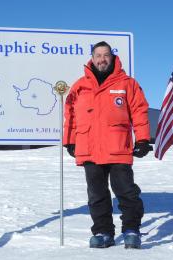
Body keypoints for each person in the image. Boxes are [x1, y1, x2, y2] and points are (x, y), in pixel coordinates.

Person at [63, 41, 152, 249]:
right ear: (92, 59)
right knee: (97, 195)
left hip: (118, 147)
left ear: (112, 57)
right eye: (98, 55)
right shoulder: (80, 86)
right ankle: (103, 232)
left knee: (126, 191)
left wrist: (142, 139)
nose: (102, 59)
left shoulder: (127, 83)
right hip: (89, 148)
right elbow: (71, 114)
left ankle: (131, 230)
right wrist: (70, 140)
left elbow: (139, 111)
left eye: (106, 55)